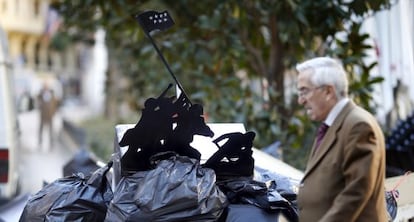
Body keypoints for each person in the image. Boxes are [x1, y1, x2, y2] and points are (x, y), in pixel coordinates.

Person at [295, 57, 387, 222]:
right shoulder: (335, 124)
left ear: (328, 91)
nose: (300, 100)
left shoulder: (358, 125)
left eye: (304, 91)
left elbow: (356, 192)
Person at [38, 82, 58, 147]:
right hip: (43, 114)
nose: (45, 87)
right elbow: (38, 101)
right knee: (41, 128)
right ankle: (40, 141)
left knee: (51, 129)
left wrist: (54, 112)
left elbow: (55, 104)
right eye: (44, 86)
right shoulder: (41, 94)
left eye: (46, 86)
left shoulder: (52, 94)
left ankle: (51, 141)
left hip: (50, 114)